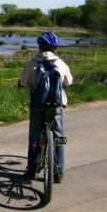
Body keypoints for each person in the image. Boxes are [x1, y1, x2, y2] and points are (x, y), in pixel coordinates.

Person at [19, 32, 73, 183]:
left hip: (37, 105)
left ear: (40, 47)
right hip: (56, 105)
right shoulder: (60, 64)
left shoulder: (33, 62)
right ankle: (58, 172)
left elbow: (24, 81)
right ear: (55, 48)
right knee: (58, 138)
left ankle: (32, 171)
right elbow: (69, 81)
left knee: (34, 139)